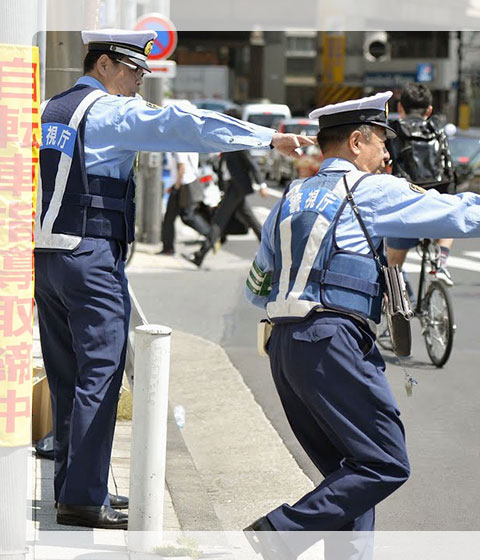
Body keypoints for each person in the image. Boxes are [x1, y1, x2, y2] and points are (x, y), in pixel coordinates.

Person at [243, 91, 480, 559]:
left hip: (285, 348)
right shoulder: (367, 190)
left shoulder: (290, 198)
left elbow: (257, 286)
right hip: (334, 341)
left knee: (352, 477)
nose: (388, 154)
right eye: (381, 142)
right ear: (355, 142)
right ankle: (280, 531)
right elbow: (460, 210)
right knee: (384, 461)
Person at [34, 29, 315, 530]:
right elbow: (183, 125)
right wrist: (267, 137)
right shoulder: (108, 113)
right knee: (100, 376)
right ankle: (82, 497)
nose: (140, 81)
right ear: (103, 65)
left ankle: (73, 490)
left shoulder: (53, 107)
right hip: (92, 255)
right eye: (134, 70)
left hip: (49, 256)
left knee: (66, 378)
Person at [385, 83, 456, 287]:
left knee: (393, 262)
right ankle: (442, 261)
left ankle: (400, 301)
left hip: (406, 203)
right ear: (429, 110)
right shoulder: (439, 129)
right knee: (449, 216)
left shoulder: (393, 131)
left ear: (400, 108)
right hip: (437, 199)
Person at [184, 106, 269, 267]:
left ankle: (200, 255)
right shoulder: (229, 137)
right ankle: (271, 251)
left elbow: (251, 163)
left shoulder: (239, 139)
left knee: (218, 221)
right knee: (251, 220)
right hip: (232, 186)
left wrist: (262, 184)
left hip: (236, 187)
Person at [160, 147, 213, 256]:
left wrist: (176, 186)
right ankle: (168, 248)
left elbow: (182, 167)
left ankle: (211, 235)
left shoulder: (179, 145)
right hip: (185, 183)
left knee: (184, 216)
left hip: (183, 185)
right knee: (177, 217)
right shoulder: (188, 143)